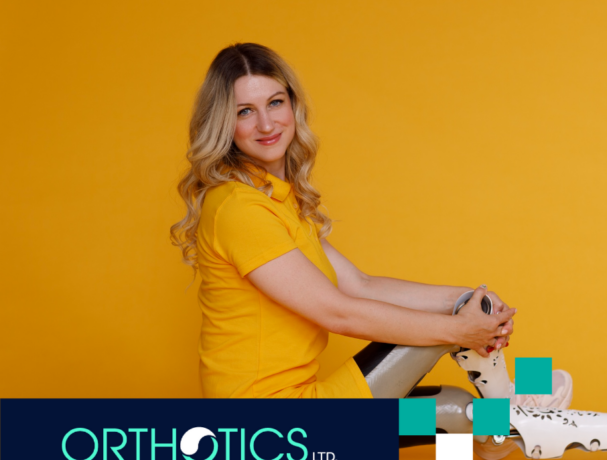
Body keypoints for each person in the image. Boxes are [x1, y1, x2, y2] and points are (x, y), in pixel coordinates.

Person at [170, 42, 516, 400]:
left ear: (293, 105)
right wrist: (462, 329)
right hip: (270, 423)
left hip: (300, 402)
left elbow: (361, 285)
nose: (266, 123)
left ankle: (510, 417)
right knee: (441, 354)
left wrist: (470, 299)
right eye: (244, 111)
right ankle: (517, 404)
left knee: (451, 405)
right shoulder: (238, 208)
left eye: (275, 103)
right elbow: (338, 313)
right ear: (223, 122)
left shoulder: (275, 200)